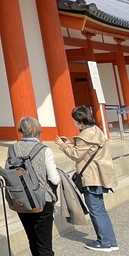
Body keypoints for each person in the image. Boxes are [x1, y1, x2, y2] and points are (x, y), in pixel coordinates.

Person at [56, 105, 119, 252]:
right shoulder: (96, 130)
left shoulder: (85, 135)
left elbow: (76, 155)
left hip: (91, 177)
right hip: (100, 175)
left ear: (79, 120)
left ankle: (104, 242)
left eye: (74, 120)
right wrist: (71, 143)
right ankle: (110, 241)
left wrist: (62, 146)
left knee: (96, 210)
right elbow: (86, 150)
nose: (73, 123)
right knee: (100, 210)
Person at [10, 116, 61, 256]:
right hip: (42, 200)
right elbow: (54, 179)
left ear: (21, 131)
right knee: (44, 245)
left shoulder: (12, 149)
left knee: (32, 240)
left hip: (22, 200)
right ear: (38, 130)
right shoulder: (44, 150)